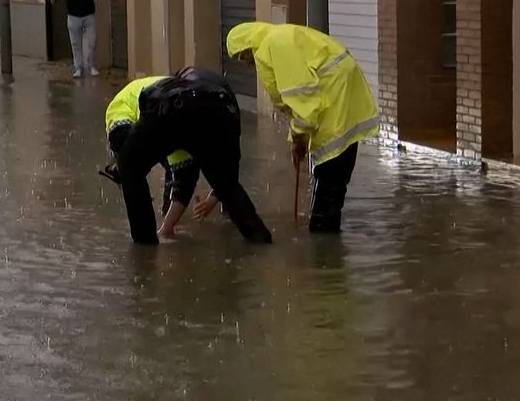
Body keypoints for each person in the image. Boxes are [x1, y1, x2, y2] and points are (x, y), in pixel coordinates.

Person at [196, 22, 378, 233]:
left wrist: (299, 138)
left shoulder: (275, 45)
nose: (246, 63)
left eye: (242, 56)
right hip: (340, 98)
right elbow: (300, 103)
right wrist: (297, 137)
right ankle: (327, 236)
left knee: (329, 175)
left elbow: (304, 100)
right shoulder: (278, 40)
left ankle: (324, 239)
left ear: (248, 45)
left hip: (337, 101)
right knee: (332, 174)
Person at [113, 69, 273, 245]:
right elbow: (186, 176)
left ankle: (145, 248)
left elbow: (122, 142)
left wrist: (123, 171)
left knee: (130, 167)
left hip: (174, 105)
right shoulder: (189, 86)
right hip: (220, 109)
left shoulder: (119, 106)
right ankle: (260, 241)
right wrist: (167, 226)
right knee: (227, 186)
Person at [104, 76, 199, 241]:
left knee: (175, 171)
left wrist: (166, 228)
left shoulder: (183, 129)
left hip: (167, 103)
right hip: (140, 104)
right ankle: (149, 239)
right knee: (132, 166)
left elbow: (185, 180)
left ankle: (154, 233)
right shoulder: (125, 113)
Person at [52, 0, 120, 78]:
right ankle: (78, 68)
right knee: (75, 44)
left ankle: (92, 66)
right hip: (73, 16)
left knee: (92, 42)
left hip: (88, 15)